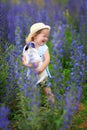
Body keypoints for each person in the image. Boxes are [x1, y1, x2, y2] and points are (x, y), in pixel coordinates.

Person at [22, 22, 54, 104]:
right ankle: (34, 107)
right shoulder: (28, 47)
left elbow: (47, 59)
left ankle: (52, 106)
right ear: (35, 36)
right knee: (32, 91)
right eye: (44, 36)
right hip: (32, 74)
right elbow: (24, 59)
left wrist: (41, 69)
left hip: (42, 73)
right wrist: (27, 64)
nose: (46, 38)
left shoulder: (44, 47)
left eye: (47, 37)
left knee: (47, 90)